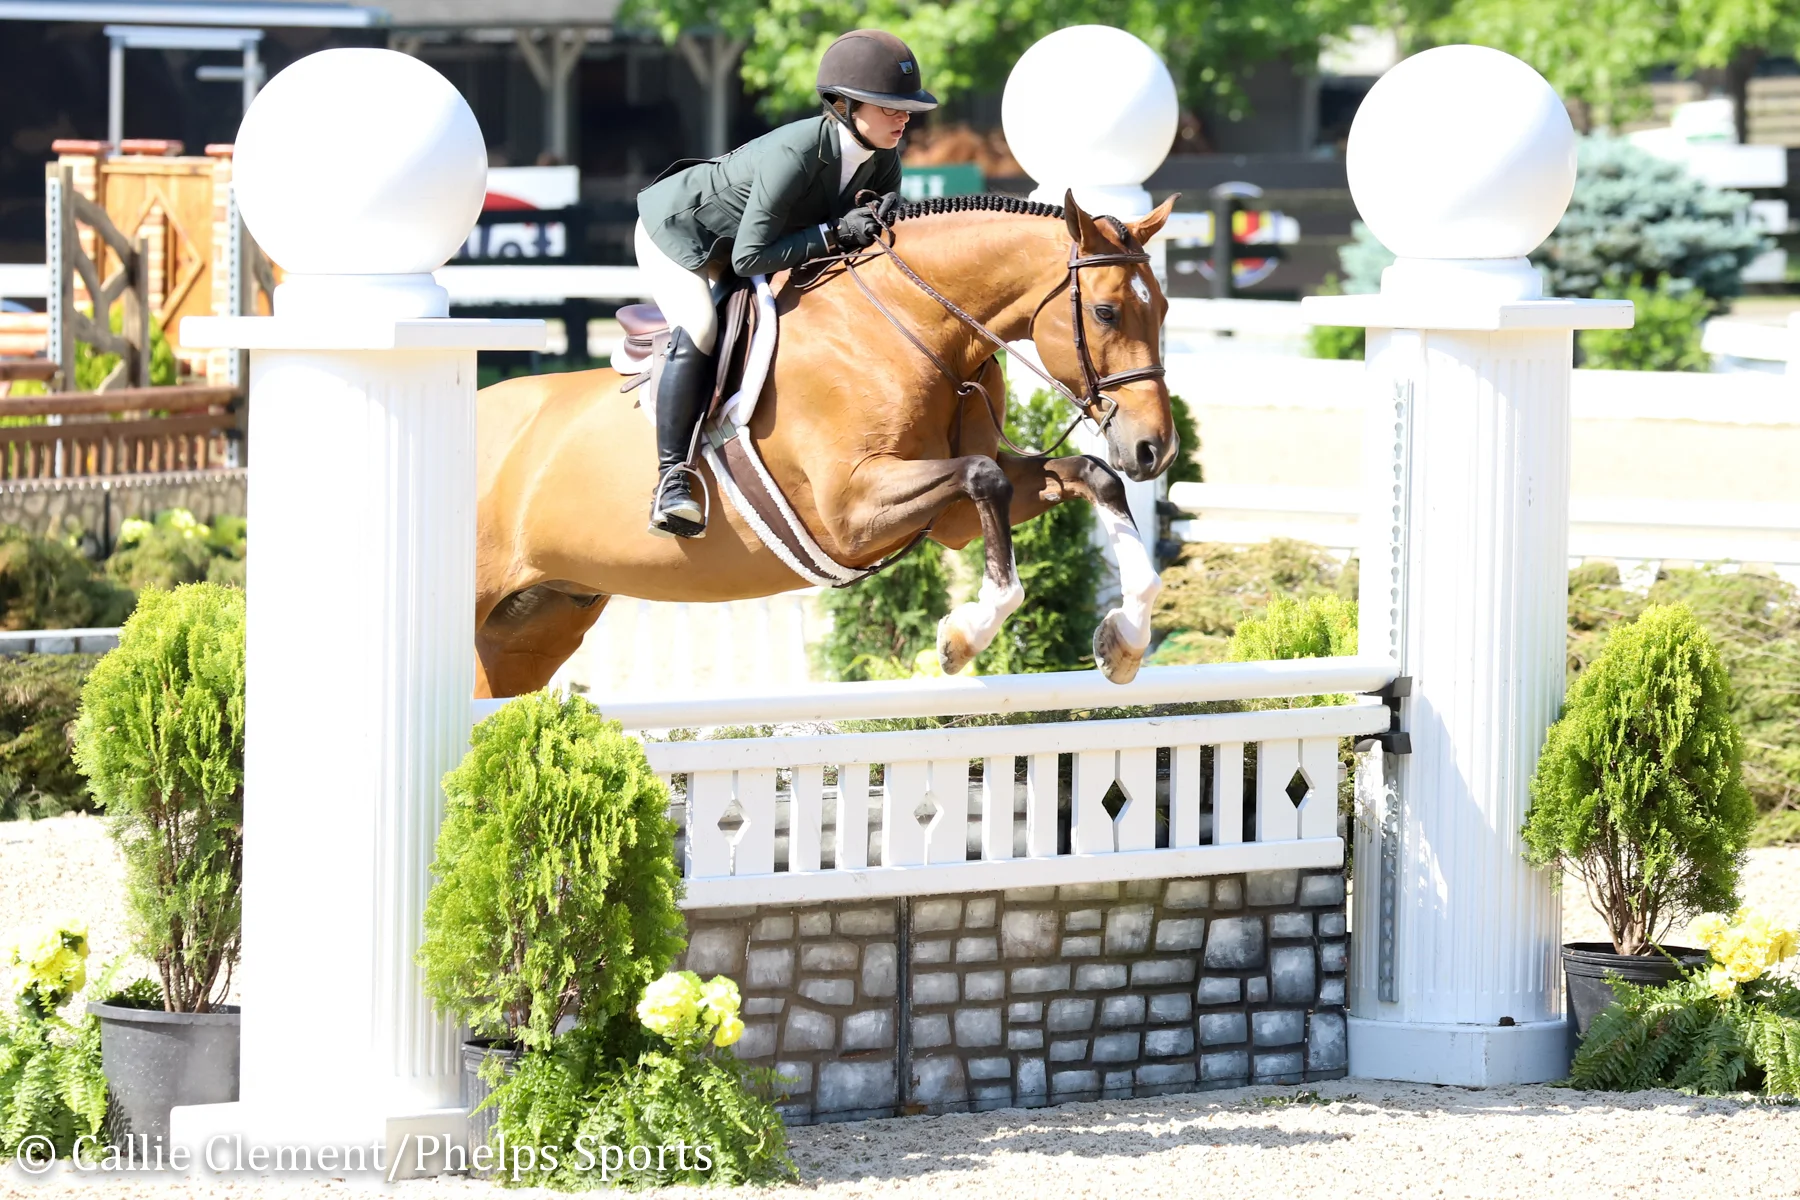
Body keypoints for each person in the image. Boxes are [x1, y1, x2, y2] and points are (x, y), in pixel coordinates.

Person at [634, 29, 937, 538]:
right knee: (703, 325)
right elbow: (751, 256)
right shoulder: (796, 153)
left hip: (751, 245)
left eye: (907, 108)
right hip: (682, 235)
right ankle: (672, 480)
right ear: (843, 105)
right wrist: (833, 232)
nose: (903, 117)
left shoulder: (885, 160)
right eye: (890, 108)